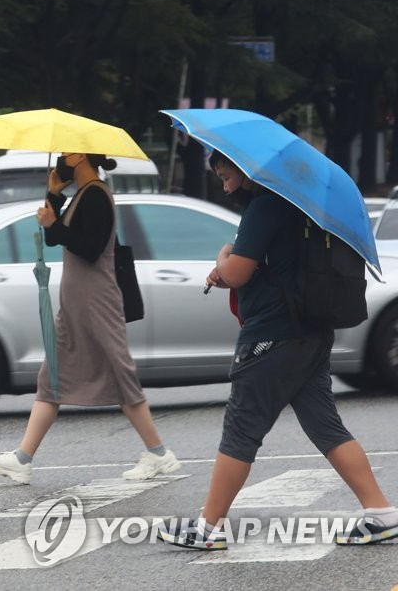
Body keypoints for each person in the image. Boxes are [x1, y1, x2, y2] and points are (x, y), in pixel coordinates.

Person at [159, 151, 397, 549]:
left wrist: (222, 259)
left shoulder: (264, 206)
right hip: (312, 332)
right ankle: (380, 511)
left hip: (273, 334)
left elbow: (235, 272)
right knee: (325, 426)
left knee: (241, 426)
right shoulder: (300, 206)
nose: (223, 181)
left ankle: (208, 527)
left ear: (243, 165)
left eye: (224, 172)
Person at [0, 152, 180, 485]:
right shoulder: (82, 194)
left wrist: (54, 225)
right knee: (52, 377)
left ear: (79, 155)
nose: (62, 157)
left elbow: (89, 247)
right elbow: (54, 237)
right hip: (77, 303)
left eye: (66, 152)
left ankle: (159, 453)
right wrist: (53, 194)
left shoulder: (96, 195)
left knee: (121, 374)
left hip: (96, 301)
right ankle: (22, 458)